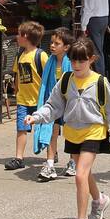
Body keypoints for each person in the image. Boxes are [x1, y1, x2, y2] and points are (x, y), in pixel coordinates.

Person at [26, 37, 110, 219]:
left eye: (82, 61)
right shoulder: (66, 80)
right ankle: (99, 200)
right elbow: (53, 106)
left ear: (92, 59)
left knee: (80, 175)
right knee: (84, 174)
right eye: (74, 61)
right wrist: (36, 116)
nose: (77, 65)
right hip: (72, 133)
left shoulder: (100, 82)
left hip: (94, 132)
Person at [5, 20, 47, 172]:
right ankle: (19, 158)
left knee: (44, 129)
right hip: (23, 99)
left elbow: (47, 76)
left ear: (26, 36)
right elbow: (17, 74)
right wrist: (16, 89)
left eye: (19, 34)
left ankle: (51, 152)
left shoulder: (41, 55)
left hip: (39, 100)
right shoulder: (20, 55)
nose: (17, 36)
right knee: (21, 129)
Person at [35, 27, 74, 181]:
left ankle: (73, 162)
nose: (52, 45)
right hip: (54, 102)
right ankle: (50, 164)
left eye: (57, 43)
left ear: (66, 47)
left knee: (71, 133)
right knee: (52, 131)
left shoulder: (71, 63)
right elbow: (46, 83)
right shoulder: (50, 62)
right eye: (51, 42)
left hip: (70, 103)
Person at [81, 0, 110, 75]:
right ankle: (99, 75)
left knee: (96, 51)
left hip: (95, 19)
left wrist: (83, 26)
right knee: (99, 49)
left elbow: (88, 7)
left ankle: (100, 77)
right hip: (103, 18)